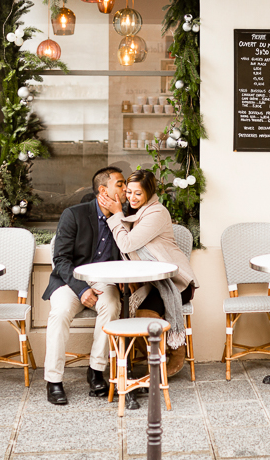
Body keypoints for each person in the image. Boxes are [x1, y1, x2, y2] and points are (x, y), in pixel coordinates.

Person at [98, 169, 196, 377]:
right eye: (129, 192)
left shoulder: (156, 213)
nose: (132, 198)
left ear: (149, 194)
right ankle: (157, 358)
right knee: (130, 312)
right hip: (153, 283)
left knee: (144, 315)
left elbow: (126, 243)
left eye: (138, 194)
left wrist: (116, 214)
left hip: (177, 283)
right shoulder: (137, 213)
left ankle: (176, 354)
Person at [42, 166, 126, 405]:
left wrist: (118, 215)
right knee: (59, 314)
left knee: (111, 307)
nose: (125, 188)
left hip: (105, 280)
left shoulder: (126, 215)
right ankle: (54, 380)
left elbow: (129, 253)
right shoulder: (74, 214)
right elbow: (61, 260)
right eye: (119, 184)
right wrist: (81, 290)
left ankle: (96, 371)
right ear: (103, 190)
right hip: (72, 280)